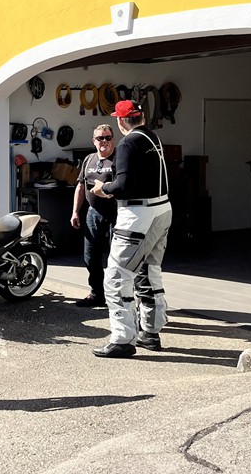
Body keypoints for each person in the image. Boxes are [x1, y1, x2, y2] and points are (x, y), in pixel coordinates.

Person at [90, 100, 172, 358]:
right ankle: (151, 332)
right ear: (142, 117)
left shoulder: (127, 143)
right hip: (162, 208)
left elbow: (123, 185)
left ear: (121, 120)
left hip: (138, 213)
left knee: (116, 277)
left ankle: (122, 339)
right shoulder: (152, 137)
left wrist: (104, 188)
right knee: (149, 271)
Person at [69, 125, 117, 308]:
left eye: (108, 137)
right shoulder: (89, 159)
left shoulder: (119, 159)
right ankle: (97, 294)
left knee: (116, 257)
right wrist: (75, 211)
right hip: (93, 212)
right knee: (90, 255)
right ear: (94, 141)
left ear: (113, 139)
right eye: (100, 138)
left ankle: (117, 297)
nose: (104, 141)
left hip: (116, 213)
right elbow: (81, 186)